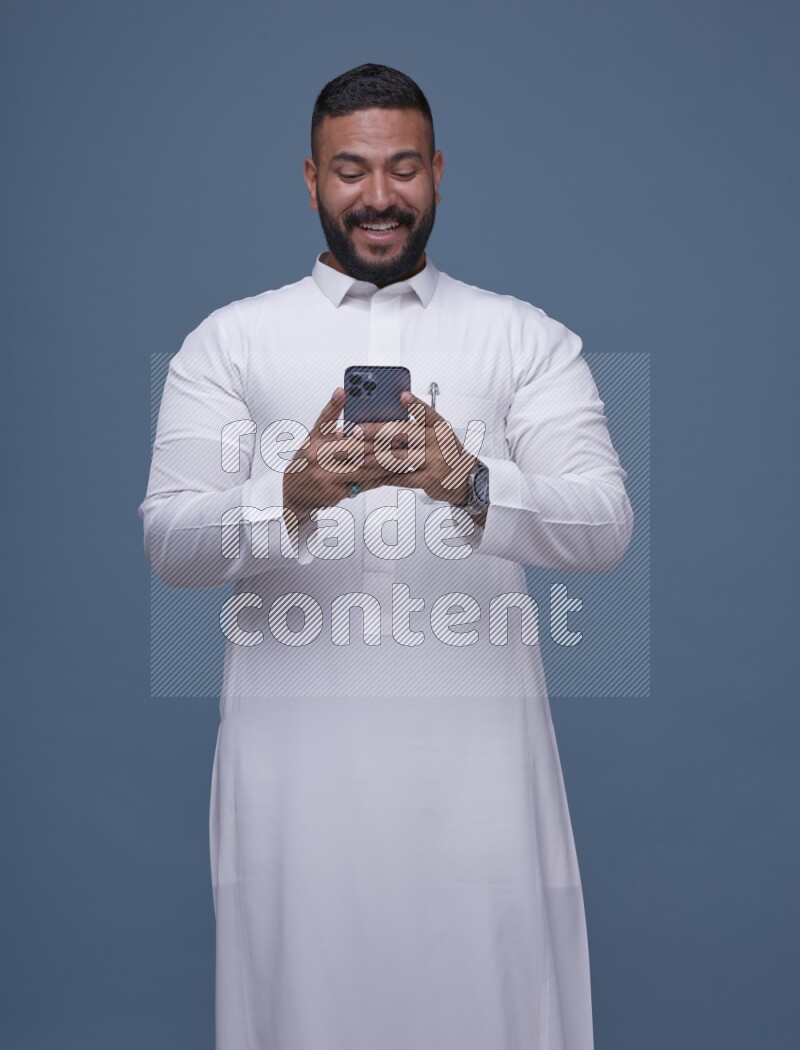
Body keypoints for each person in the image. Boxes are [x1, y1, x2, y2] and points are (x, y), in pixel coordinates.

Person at [140, 63, 633, 1050]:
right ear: (311, 179)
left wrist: (469, 482)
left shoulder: (523, 338)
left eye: (401, 168)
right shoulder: (229, 343)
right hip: (296, 779)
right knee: (304, 1011)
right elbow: (170, 541)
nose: (376, 197)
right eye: (350, 170)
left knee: (491, 1007)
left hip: (480, 779)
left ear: (439, 173)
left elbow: (601, 526)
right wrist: (285, 497)